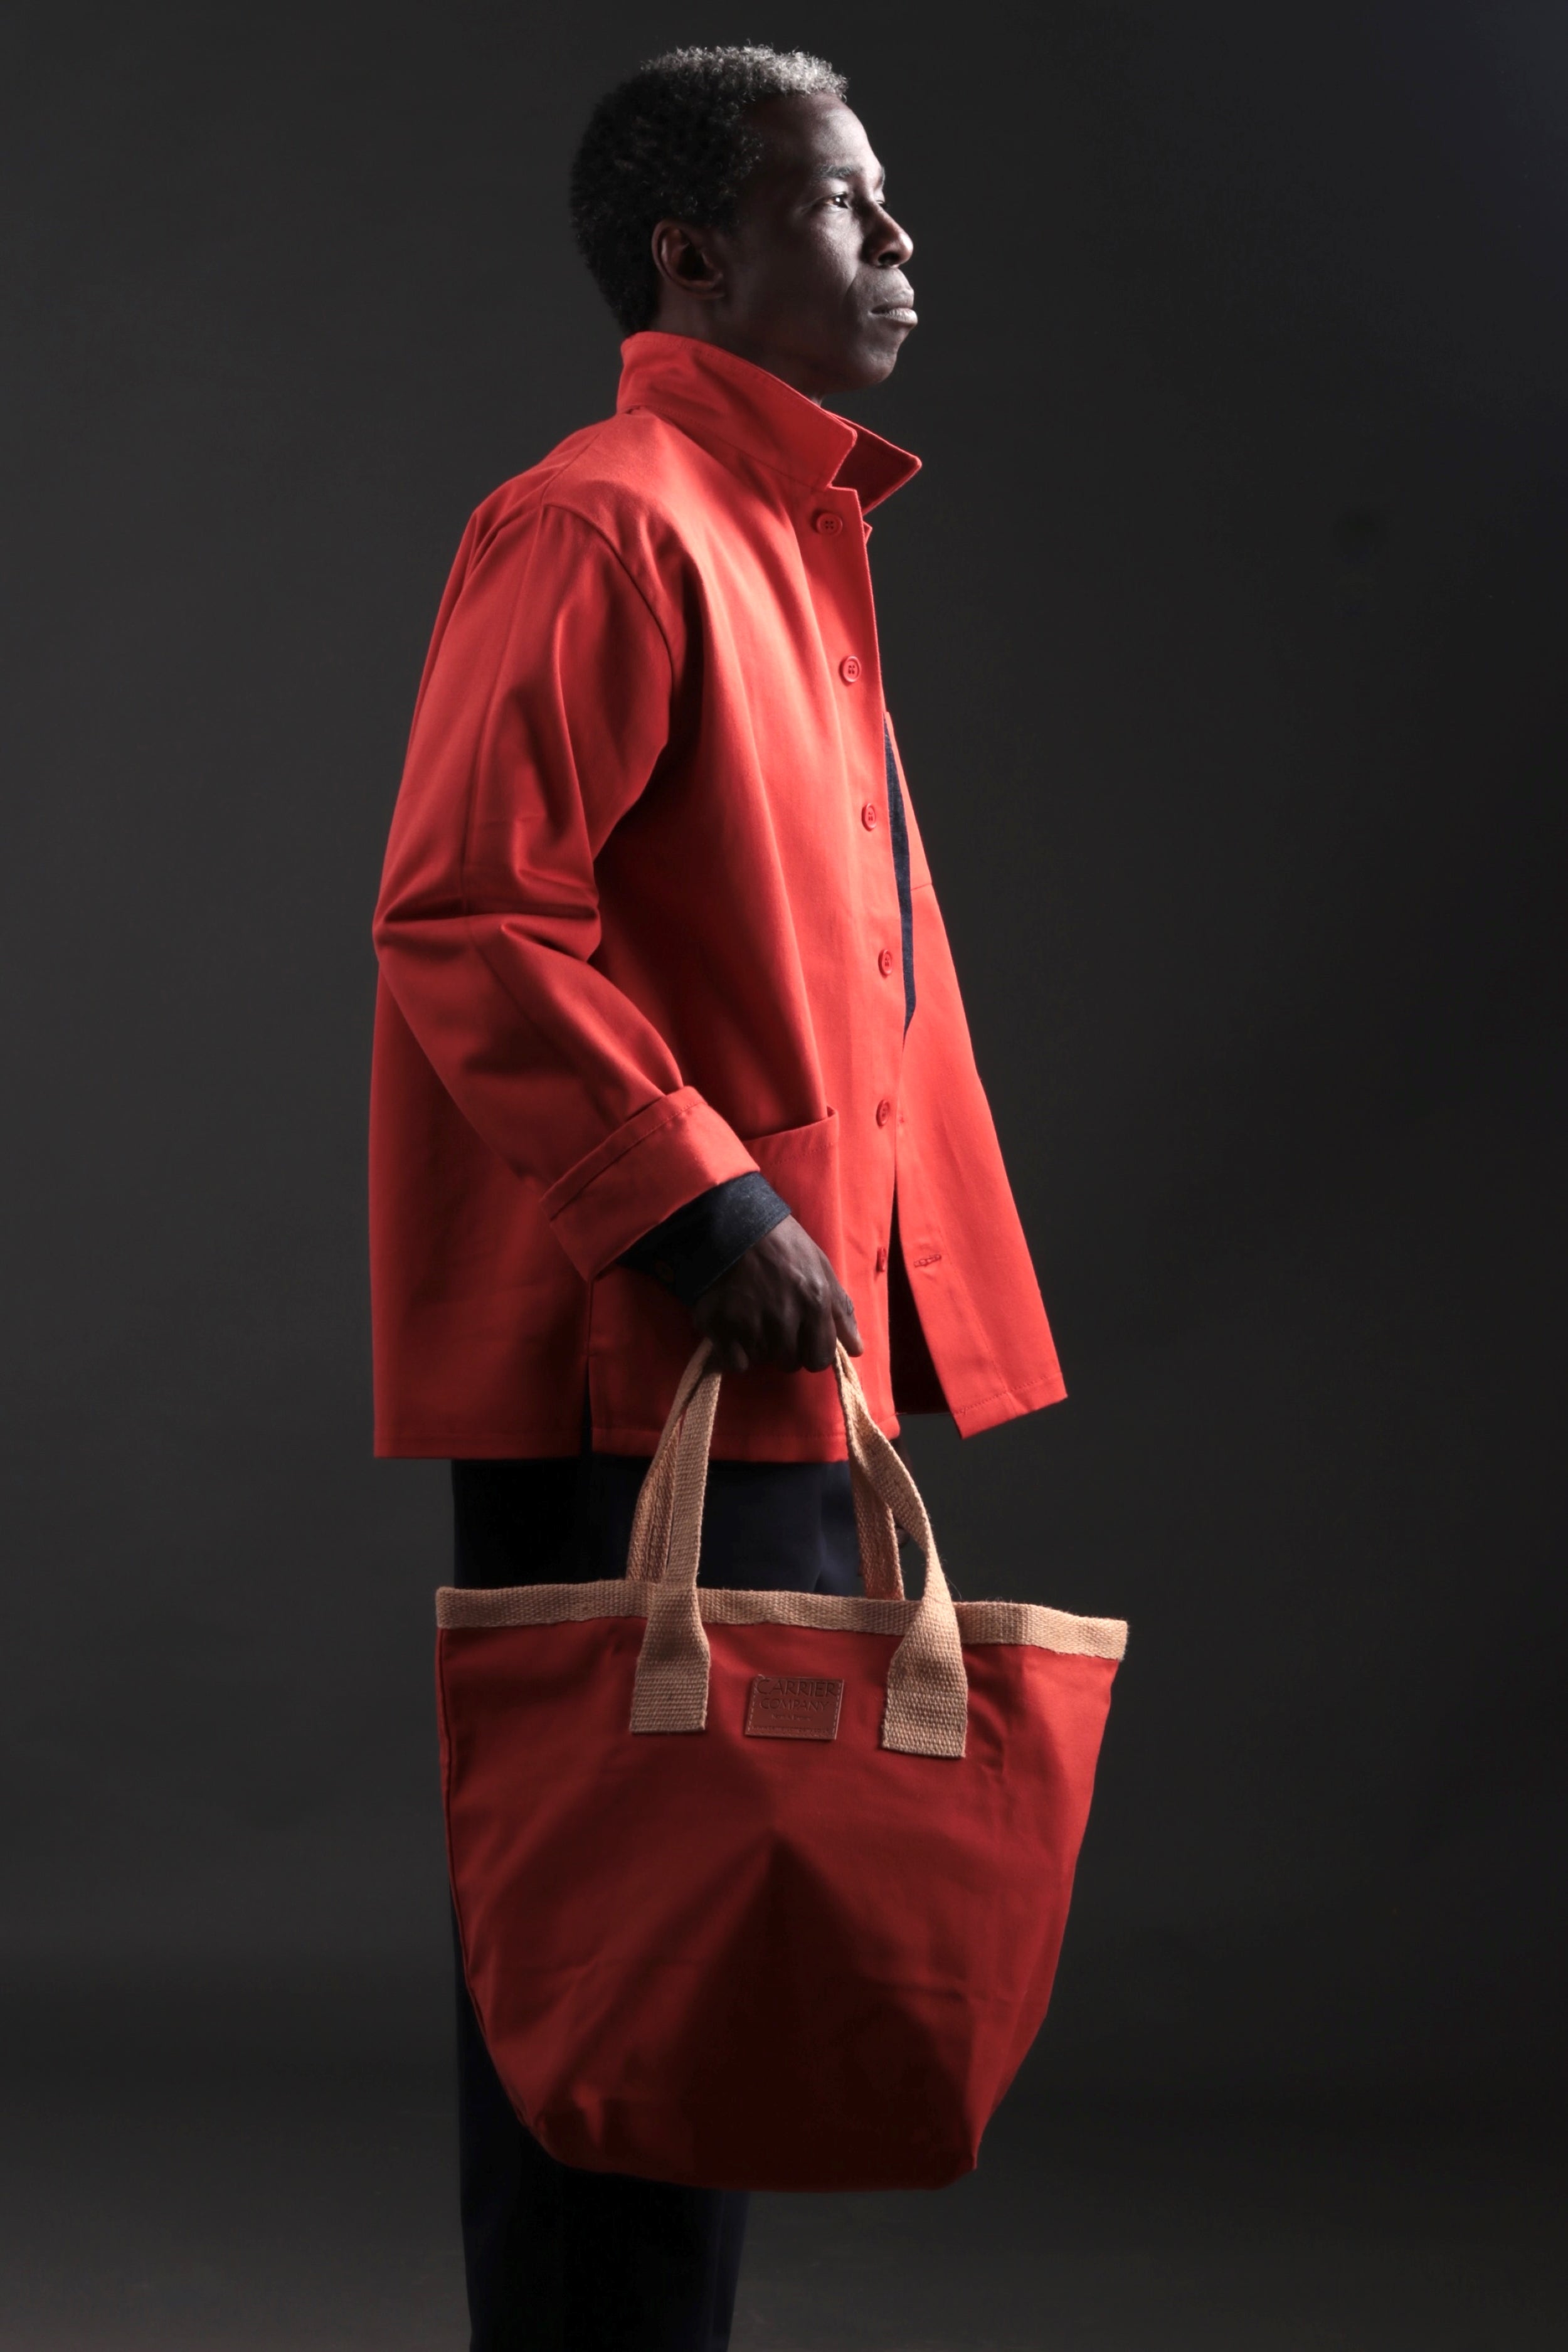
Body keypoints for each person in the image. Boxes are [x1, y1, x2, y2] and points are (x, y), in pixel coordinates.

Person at [371, 43, 1066, 2352]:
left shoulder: (784, 538)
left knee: (692, 1965)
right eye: (847, 206)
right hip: (642, 1344)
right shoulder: (603, 519)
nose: (897, 248)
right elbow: (470, 917)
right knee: (616, 1961)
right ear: (694, 257)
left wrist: (884, 1282)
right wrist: (707, 1214)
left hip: (767, 1343)